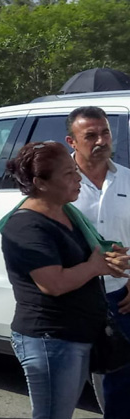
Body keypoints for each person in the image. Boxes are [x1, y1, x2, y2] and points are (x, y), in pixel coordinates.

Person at [0, 141, 129, 419]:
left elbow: (90, 256)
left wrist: (110, 261)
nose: (78, 178)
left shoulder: (67, 213)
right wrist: (95, 267)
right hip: (51, 339)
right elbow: (53, 283)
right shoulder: (26, 225)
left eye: (75, 171)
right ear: (40, 183)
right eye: (69, 174)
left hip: (78, 334)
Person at [66, 106, 130, 417]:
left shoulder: (127, 179)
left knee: (122, 381)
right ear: (72, 141)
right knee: (67, 381)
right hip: (72, 296)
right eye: (90, 136)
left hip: (121, 296)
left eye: (105, 132)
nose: (101, 141)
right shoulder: (58, 183)